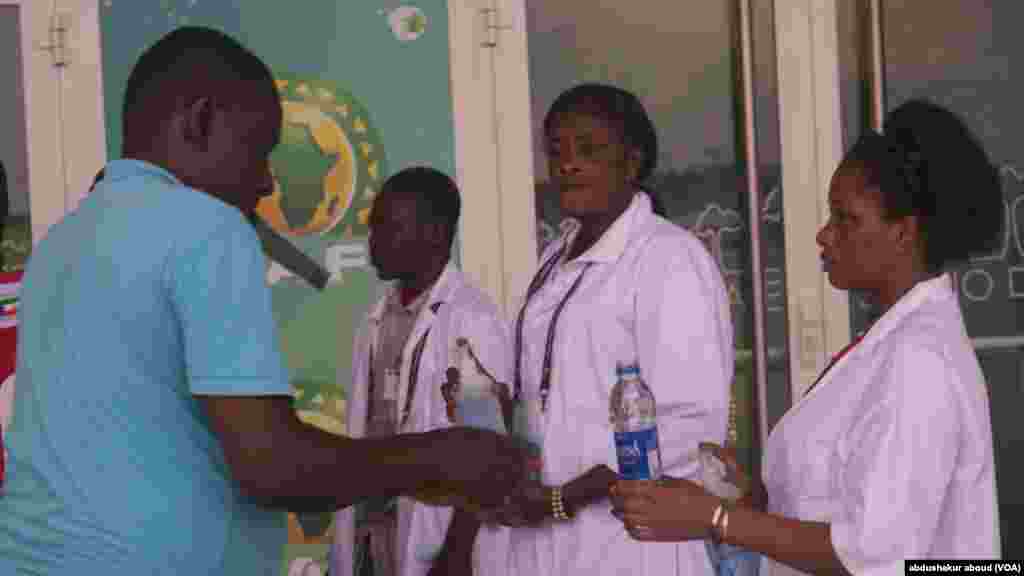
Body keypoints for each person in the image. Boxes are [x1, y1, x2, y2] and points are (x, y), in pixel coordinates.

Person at [0, 26, 524, 575]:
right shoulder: (206, 225)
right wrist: (439, 458)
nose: (268, 183)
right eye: (259, 150)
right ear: (199, 121)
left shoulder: (62, 241)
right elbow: (272, 464)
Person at [612, 99, 1003, 573]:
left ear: (904, 233)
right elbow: (847, 501)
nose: (824, 235)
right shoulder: (890, 341)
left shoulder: (920, 360)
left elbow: (875, 553)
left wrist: (715, 517)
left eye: (845, 219)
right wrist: (755, 497)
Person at [488, 83, 734, 576]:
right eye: (556, 153)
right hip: (545, 532)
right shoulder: (554, 259)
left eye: (589, 150)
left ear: (633, 160)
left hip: (628, 540)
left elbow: (691, 421)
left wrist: (580, 490)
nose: (568, 165)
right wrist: (494, 404)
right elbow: (557, 392)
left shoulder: (669, 258)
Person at [331, 166, 512, 576]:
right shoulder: (375, 319)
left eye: (386, 228)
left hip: (437, 540)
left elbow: (488, 450)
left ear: (433, 233)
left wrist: (456, 552)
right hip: (372, 534)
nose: (372, 243)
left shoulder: (472, 318)